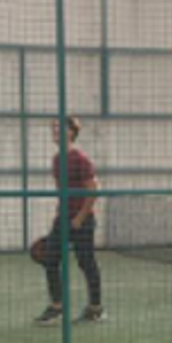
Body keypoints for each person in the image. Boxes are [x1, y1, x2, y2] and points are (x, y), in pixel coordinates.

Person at [35, 117, 104, 326]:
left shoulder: (80, 159)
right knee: (50, 259)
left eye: (59, 127)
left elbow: (93, 190)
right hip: (63, 218)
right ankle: (57, 307)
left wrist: (80, 218)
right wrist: (61, 214)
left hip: (82, 220)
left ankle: (96, 309)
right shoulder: (57, 160)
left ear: (71, 132)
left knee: (86, 263)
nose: (54, 130)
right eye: (53, 127)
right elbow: (61, 191)